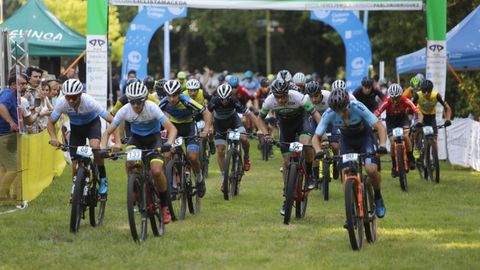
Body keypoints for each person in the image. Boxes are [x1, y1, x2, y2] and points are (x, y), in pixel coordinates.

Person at [100, 82, 177, 223]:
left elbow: (172, 129)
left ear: (145, 99)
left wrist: (168, 144)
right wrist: (104, 148)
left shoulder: (152, 108)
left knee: (157, 171)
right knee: (130, 161)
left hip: (154, 140)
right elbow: (107, 132)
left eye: (139, 102)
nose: (136, 105)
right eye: (132, 102)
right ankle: (134, 186)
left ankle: (165, 206)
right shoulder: (124, 110)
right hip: (136, 140)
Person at [312, 89, 388, 218]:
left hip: (365, 139)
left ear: (348, 104)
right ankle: (351, 209)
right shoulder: (329, 113)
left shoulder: (358, 107)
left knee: (371, 170)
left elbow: (379, 126)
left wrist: (382, 145)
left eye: (343, 109)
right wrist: (318, 151)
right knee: (345, 172)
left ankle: (378, 196)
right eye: (337, 111)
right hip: (347, 142)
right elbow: (316, 137)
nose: (341, 114)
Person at [257, 79, 320, 215]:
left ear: (287, 93)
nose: (280, 100)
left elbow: (315, 115)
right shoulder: (269, 100)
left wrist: (322, 135)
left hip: (301, 122)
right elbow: (259, 119)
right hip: (285, 126)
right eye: (277, 96)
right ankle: (287, 197)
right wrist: (266, 133)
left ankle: (309, 175)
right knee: (286, 162)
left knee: (306, 145)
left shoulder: (298, 97)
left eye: (283, 96)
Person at [47, 79, 115, 199]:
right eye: (68, 97)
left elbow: (112, 120)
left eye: (74, 97)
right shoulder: (62, 102)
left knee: (95, 147)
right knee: (74, 164)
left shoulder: (89, 101)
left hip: (92, 125)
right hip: (76, 128)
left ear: (80, 94)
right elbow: (50, 122)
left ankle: (103, 177)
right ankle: (76, 187)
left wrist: (116, 141)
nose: (71, 101)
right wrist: (53, 137)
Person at [159, 80, 212, 198]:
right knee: (167, 155)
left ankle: (199, 179)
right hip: (174, 128)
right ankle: (172, 184)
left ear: (179, 93)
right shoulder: (162, 103)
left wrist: (206, 130)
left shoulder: (186, 100)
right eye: (169, 95)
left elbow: (206, 113)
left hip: (189, 127)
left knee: (192, 157)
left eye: (174, 95)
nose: (171, 99)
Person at [208, 84, 266, 189]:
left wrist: (260, 129)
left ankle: (246, 157)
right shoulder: (214, 100)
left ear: (230, 96)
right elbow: (207, 114)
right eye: (222, 99)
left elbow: (250, 114)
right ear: (218, 97)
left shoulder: (234, 100)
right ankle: (223, 178)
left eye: (227, 99)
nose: (224, 102)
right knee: (220, 150)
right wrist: (209, 127)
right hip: (219, 124)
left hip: (233, 121)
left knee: (244, 138)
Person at [374, 84, 423, 176]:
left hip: (402, 119)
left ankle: (410, 159)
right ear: (390, 97)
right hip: (391, 121)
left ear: (401, 95)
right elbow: (376, 113)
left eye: (398, 98)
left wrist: (419, 122)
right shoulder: (386, 102)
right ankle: (394, 166)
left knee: (405, 136)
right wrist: (373, 123)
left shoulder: (405, 100)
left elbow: (418, 112)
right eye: (393, 98)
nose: (395, 100)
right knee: (392, 142)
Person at [412, 80, 452, 157]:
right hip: (420, 115)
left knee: (434, 140)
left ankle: (434, 160)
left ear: (432, 90)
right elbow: (410, 107)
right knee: (417, 130)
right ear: (421, 90)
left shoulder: (436, 95)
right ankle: (416, 146)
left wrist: (448, 119)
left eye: (428, 91)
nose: (426, 93)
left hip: (431, 117)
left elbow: (447, 108)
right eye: (424, 91)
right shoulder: (417, 95)